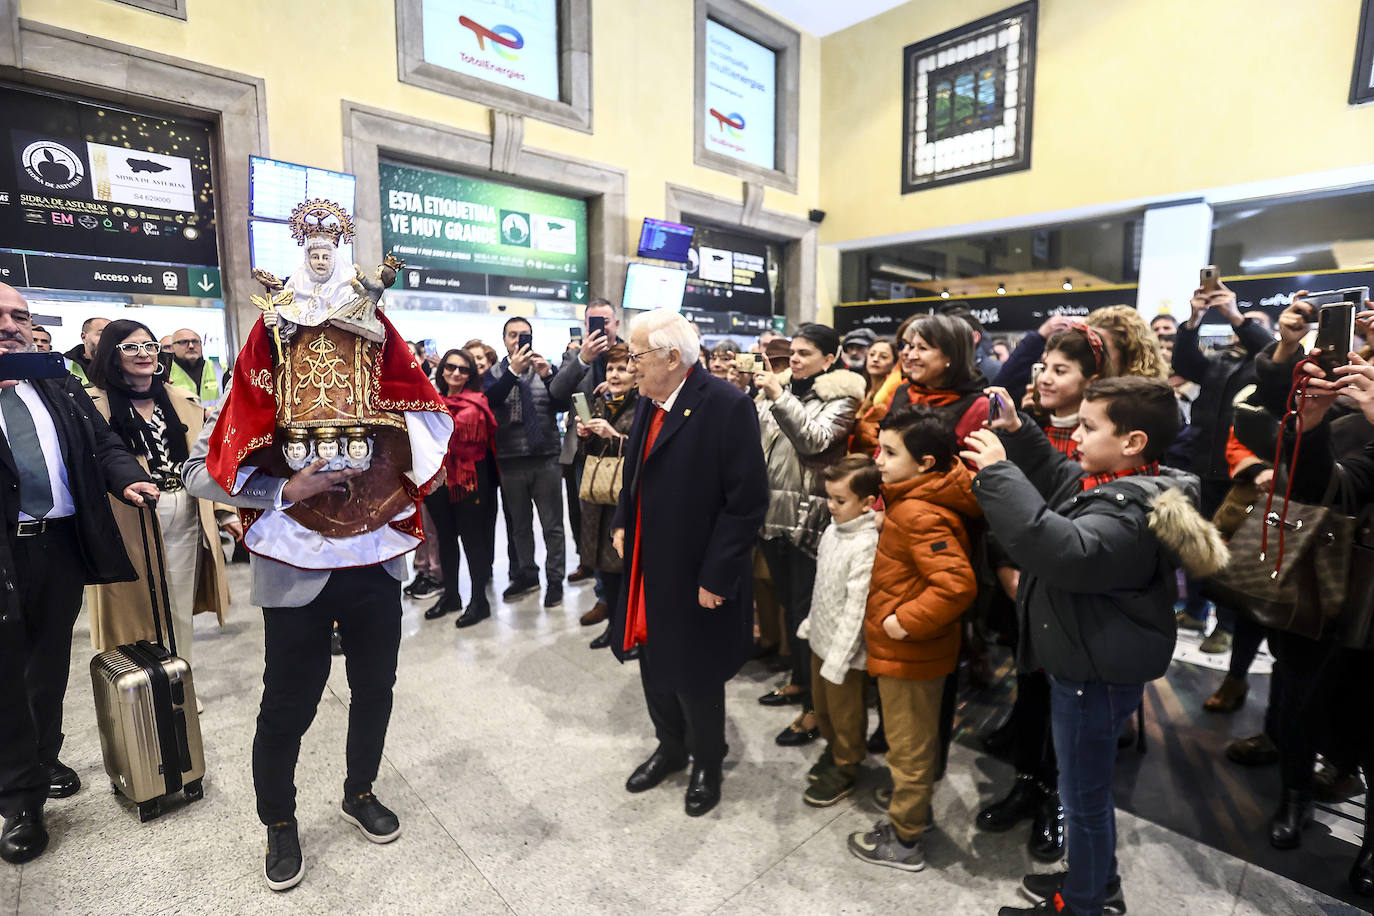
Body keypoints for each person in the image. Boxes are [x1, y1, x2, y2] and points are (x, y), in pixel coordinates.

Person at [187, 200, 453, 891]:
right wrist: (285, 488)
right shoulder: (266, 341)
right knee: (289, 702)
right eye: (309, 242)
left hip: (373, 559)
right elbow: (200, 470)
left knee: (375, 690)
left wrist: (397, 451)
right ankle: (278, 820)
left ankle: (359, 791)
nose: (320, 253)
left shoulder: (376, 335)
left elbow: (421, 412)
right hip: (295, 564)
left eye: (331, 242)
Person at [963, 376, 1226, 916]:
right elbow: (1060, 475)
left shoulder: (1127, 514)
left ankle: (1081, 903)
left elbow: (1061, 550)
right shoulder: (1131, 482)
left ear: (1132, 442)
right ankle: (1096, 881)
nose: (1076, 436)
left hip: (1092, 675)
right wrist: (1020, 430)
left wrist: (998, 473)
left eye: (1088, 426)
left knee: (1082, 798)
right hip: (1092, 662)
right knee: (1086, 790)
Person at [0, 283, 158, 866]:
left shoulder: (56, 381)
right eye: (0, 316)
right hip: (5, 550)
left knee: (47, 664)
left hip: (59, 545)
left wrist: (126, 478)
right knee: (5, 672)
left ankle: (44, 757)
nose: (11, 325)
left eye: (20, 315)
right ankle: (20, 800)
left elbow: (102, 442)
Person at [607, 309, 767, 818]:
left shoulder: (726, 405)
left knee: (696, 671)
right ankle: (671, 746)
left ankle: (707, 761)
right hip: (648, 560)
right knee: (652, 659)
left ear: (672, 357)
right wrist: (622, 520)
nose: (630, 365)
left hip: (695, 566)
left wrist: (718, 574)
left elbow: (746, 503)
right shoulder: (650, 399)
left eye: (637, 355)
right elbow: (634, 473)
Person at [847, 405, 980, 872]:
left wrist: (903, 621)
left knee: (909, 749)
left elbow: (956, 585)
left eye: (889, 452)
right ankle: (912, 810)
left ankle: (904, 839)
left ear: (925, 463)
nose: (877, 460)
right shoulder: (913, 502)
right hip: (909, 652)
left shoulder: (919, 513)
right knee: (912, 743)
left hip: (910, 652)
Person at [84, 320, 238, 702]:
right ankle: (141, 694)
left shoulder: (182, 399)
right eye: (131, 347)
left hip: (185, 509)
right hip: (127, 519)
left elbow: (208, 460)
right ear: (112, 355)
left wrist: (225, 513)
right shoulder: (91, 405)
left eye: (150, 346)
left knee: (178, 607)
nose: (144, 354)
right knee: (134, 610)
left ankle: (177, 689)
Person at [754, 323, 864, 746]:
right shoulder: (778, 389)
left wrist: (778, 397)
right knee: (789, 606)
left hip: (809, 517)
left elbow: (815, 441)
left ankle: (816, 709)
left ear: (829, 359)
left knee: (807, 615)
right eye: (793, 352)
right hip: (770, 514)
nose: (795, 359)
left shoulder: (842, 398)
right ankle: (800, 682)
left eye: (805, 353)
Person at [1171, 282, 1274, 659]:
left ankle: (1226, 626)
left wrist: (1237, 316)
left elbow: (1271, 351)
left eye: (1252, 325)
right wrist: (1193, 320)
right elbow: (1184, 363)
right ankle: (1196, 611)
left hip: (1242, 474)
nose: (1240, 328)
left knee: (1231, 553)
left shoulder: (1269, 368)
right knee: (1198, 545)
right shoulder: (1219, 362)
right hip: (1203, 467)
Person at [798, 454, 881, 807]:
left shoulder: (866, 544)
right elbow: (822, 584)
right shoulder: (833, 530)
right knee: (824, 710)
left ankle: (846, 766)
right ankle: (834, 751)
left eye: (840, 500)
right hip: (820, 638)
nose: (831, 506)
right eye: (829, 497)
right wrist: (811, 622)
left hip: (845, 653)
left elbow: (856, 610)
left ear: (867, 502)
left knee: (846, 715)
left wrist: (840, 657)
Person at [485, 317, 568, 608]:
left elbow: (561, 403)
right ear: (504, 339)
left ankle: (555, 580)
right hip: (510, 459)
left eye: (524, 335)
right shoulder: (494, 373)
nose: (518, 339)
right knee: (519, 525)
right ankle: (527, 574)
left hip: (546, 456)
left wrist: (548, 376)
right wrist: (513, 372)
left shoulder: (545, 367)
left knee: (552, 525)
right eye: (513, 335)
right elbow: (491, 400)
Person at [551, 299, 622, 601]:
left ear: (616, 323)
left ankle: (613, 588)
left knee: (617, 518)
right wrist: (582, 358)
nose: (601, 327)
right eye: (594, 321)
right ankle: (593, 571)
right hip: (582, 448)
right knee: (585, 515)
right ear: (585, 324)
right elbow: (556, 393)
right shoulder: (575, 355)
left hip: (620, 446)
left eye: (605, 321)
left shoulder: (628, 354)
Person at [423, 348, 499, 627]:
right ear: (442, 369)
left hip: (470, 480)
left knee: (472, 540)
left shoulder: (477, 403)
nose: (456, 373)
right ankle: (451, 595)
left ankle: (480, 601)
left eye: (463, 369)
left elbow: (471, 444)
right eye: (451, 367)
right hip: (439, 478)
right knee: (445, 538)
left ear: (470, 375)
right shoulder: (432, 402)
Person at [576, 343, 639, 649]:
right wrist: (585, 436)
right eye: (611, 368)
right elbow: (588, 453)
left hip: (625, 498)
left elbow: (643, 452)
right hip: (599, 497)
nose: (615, 375)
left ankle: (632, 634)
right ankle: (615, 628)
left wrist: (613, 437)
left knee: (626, 572)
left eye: (622, 369)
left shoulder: (643, 406)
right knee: (607, 571)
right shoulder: (600, 403)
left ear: (636, 374)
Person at [890, 313, 991, 447]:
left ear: (951, 356)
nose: (911, 356)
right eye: (912, 346)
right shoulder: (904, 391)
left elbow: (977, 459)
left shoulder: (978, 407)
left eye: (922, 348)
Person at [850, 338, 899, 455]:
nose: (875, 359)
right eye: (872, 355)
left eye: (883, 357)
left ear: (894, 363)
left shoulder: (893, 394)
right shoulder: (858, 389)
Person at [166, 328, 222, 404]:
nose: (191, 346)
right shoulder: (166, 372)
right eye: (183, 342)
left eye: (195, 341)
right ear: (172, 348)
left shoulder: (221, 369)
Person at [62, 316, 108, 386]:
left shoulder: (121, 365)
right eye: (102, 334)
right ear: (84, 336)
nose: (108, 339)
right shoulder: (65, 364)